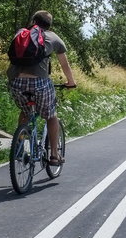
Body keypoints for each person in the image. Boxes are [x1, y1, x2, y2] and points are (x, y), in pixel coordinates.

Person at [7, 10, 76, 166]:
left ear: (33, 20)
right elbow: (64, 64)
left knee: (25, 112)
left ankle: (18, 146)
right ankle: (54, 155)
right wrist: (71, 82)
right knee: (51, 116)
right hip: (39, 84)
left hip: (16, 82)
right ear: (49, 25)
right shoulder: (53, 37)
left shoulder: (21, 33)